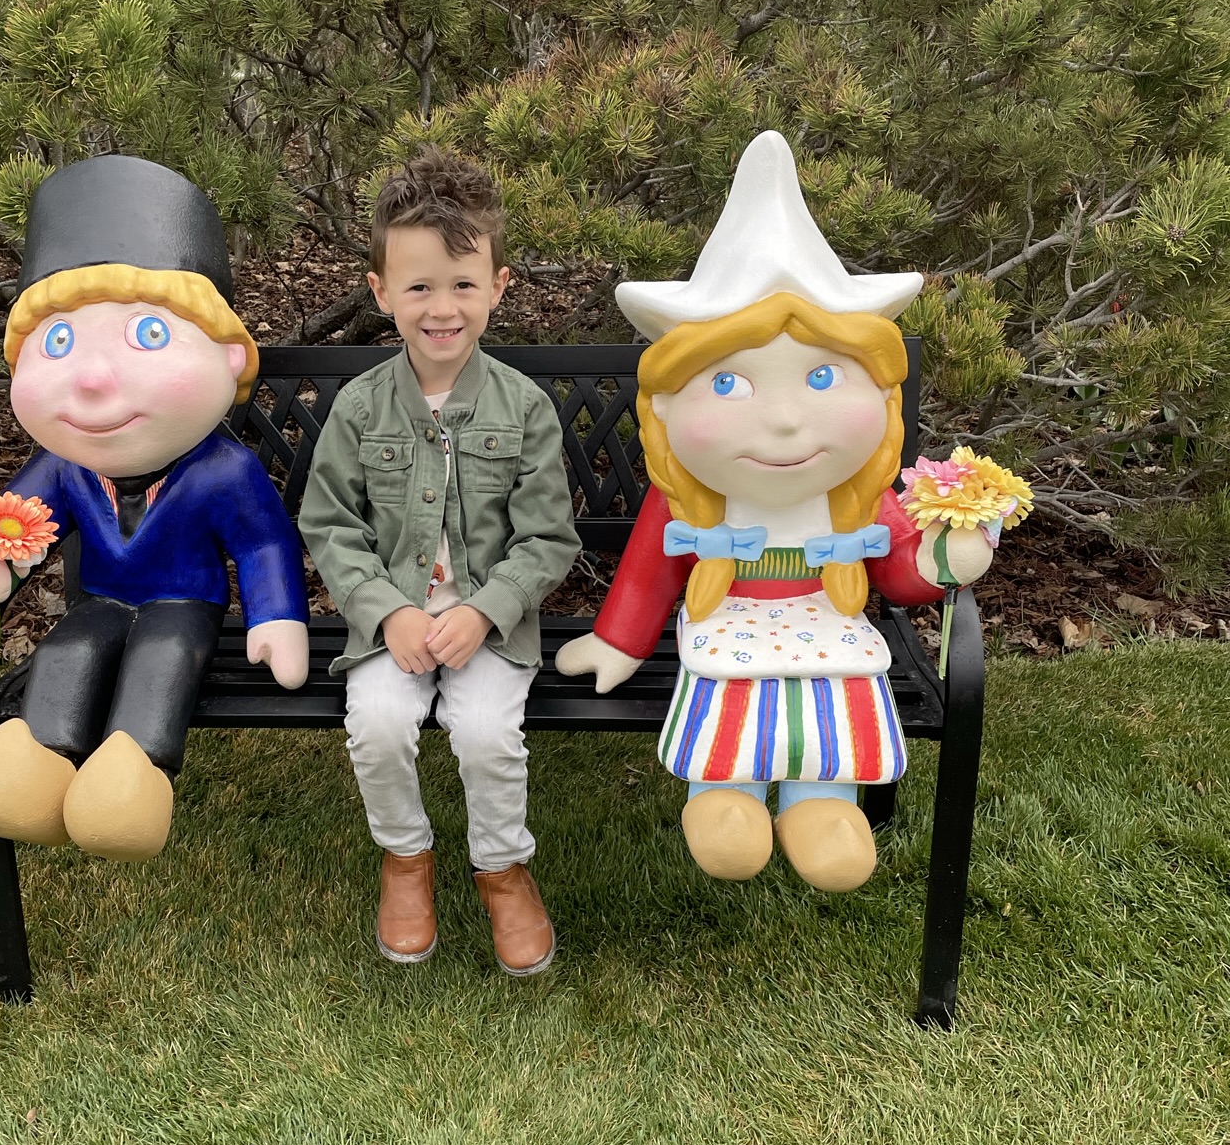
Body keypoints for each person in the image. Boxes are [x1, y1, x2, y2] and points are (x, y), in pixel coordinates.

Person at [556, 130, 995, 892]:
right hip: (724, 628)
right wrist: (618, 642)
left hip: (831, 632)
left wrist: (943, 557)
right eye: (729, 384)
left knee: (832, 725)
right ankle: (724, 798)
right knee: (727, 720)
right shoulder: (692, 497)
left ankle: (821, 807)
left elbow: (898, 572)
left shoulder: (856, 494)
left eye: (824, 378)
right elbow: (650, 570)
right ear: (669, 405)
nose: (788, 421)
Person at [0, 155, 309, 862]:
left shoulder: (224, 468)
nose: (92, 378)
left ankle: (134, 770)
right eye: (59, 341)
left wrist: (275, 617)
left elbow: (264, 545)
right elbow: (19, 521)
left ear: (229, 359)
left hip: (185, 604)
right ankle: (40, 752)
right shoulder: (64, 465)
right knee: (71, 648)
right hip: (100, 600)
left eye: (148, 334)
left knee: (164, 655)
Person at [301, 148, 579, 973]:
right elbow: (330, 524)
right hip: (391, 621)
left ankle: (502, 869)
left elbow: (548, 537)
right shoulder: (360, 408)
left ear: (499, 286)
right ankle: (406, 858)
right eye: (419, 287)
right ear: (382, 292)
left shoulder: (523, 408)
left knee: (488, 733)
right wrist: (387, 611)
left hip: (488, 625)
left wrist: (485, 610)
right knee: (379, 724)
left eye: (463, 284)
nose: (442, 307)